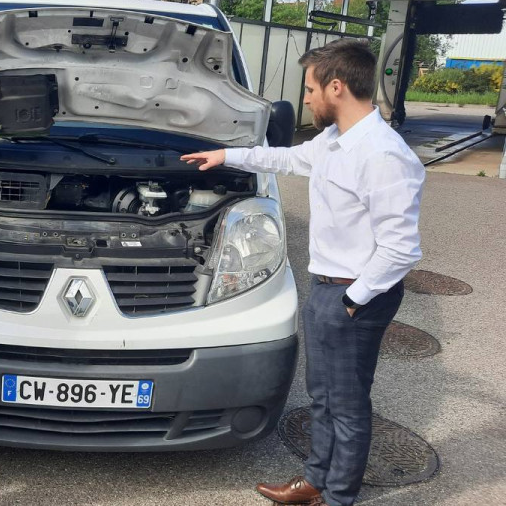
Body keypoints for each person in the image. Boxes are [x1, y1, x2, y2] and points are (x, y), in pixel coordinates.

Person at [181, 39, 425, 506]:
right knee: (323, 397)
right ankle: (315, 482)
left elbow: (401, 249)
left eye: (311, 89)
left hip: (356, 295)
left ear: (337, 87)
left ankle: (338, 497)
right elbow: (286, 159)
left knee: (348, 405)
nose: (307, 99)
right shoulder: (335, 141)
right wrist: (227, 156)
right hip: (328, 287)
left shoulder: (383, 155)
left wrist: (352, 301)